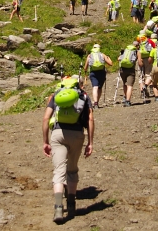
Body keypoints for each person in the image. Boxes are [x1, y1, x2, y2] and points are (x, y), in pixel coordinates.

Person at [42, 77, 94, 223]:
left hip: (58, 134)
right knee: (72, 170)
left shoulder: (56, 95)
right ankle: (71, 204)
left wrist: (45, 141)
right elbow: (90, 119)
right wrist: (90, 142)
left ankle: (58, 207)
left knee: (59, 172)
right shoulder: (84, 96)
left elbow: (46, 118)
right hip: (77, 134)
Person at [117, 41, 139, 107]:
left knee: (124, 83)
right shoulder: (136, 51)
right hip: (130, 70)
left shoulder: (125, 50)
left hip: (122, 69)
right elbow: (139, 61)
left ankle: (125, 96)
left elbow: (119, 58)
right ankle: (128, 101)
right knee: (130, 85)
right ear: (137, 46)